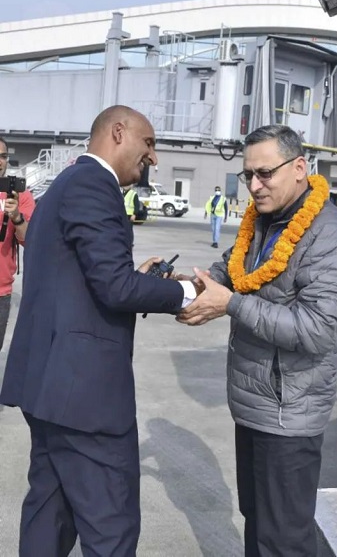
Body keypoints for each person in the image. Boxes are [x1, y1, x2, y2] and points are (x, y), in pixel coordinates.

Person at [0, 105, 200, 557]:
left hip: (48, 386)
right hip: (83, 398)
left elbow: (81, 277)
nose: (154, 157)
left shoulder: (65, 183)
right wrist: (188, 292)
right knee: (111, 527)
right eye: (149, 143)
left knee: (48, 519)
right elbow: (114, 287)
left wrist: (140, 279)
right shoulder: (94, 184)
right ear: (118, 132)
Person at [176, 124, 337, 557]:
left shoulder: (331, 237)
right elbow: (230, 271)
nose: (254, 186)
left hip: (289, 415)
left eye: (265, 173)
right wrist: (188, 285)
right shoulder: (262, 222)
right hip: (254, 406)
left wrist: (231, 305)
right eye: (248, 175)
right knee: (259, 522)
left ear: (299, 168)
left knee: (283, 538)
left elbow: (318, 328)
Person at [0, 137, 35, 352]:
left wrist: (16, 217)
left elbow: (31, 240)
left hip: (0, 291)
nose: (0, 161)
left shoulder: (20, 195)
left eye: (3, 156)